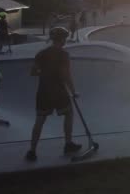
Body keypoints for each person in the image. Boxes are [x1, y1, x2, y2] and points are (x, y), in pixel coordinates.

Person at [26, 27, 81, 161]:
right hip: (58, 91)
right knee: (69, 113)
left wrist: (44, 73)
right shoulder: (63, 54)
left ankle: (32, 151)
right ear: (61, 39)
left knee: (40, 120)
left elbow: (33, 72)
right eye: (64, 38)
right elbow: (66, 75)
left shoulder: (41, 54)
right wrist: (73, 92)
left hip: (43, 91)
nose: (65, 41)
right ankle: (68, 144)